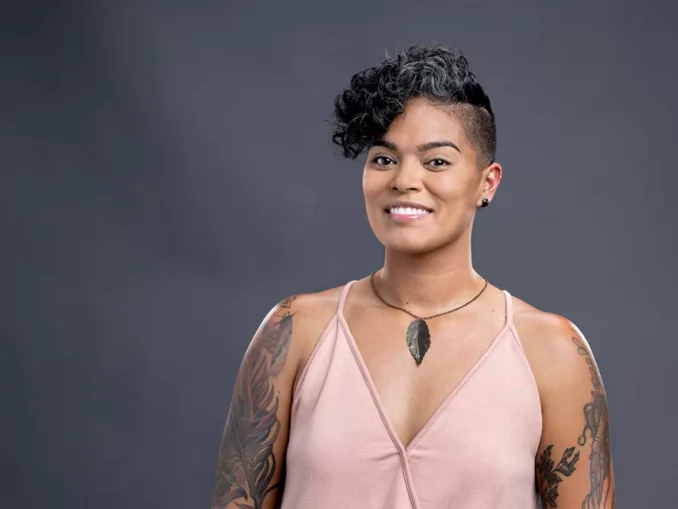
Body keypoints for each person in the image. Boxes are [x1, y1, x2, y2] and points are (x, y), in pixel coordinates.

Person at [209, 45, 616, 509]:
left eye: (436, 161)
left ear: (487, 182)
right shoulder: (294, 331)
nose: (403, 180)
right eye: (384, 159)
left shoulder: (552, 352)